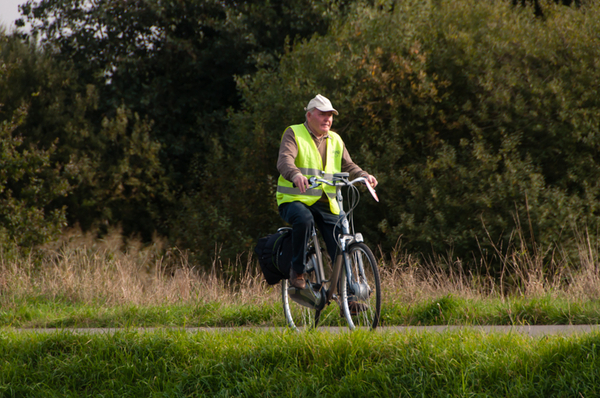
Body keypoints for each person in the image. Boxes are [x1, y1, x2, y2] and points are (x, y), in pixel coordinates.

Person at [276, 94, 378, 291]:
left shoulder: (336, 140)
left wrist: (363, 175)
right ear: (309, 116)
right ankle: (297, 271)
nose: (327, 119)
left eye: (330, 115)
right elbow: (285, 160)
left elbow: (348, 165)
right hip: (295, 199)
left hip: (326, 203)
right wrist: (295, 174)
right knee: (304, 220)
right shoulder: (294, 133)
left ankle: (348, 298)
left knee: (341, 245)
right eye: (322, 114)